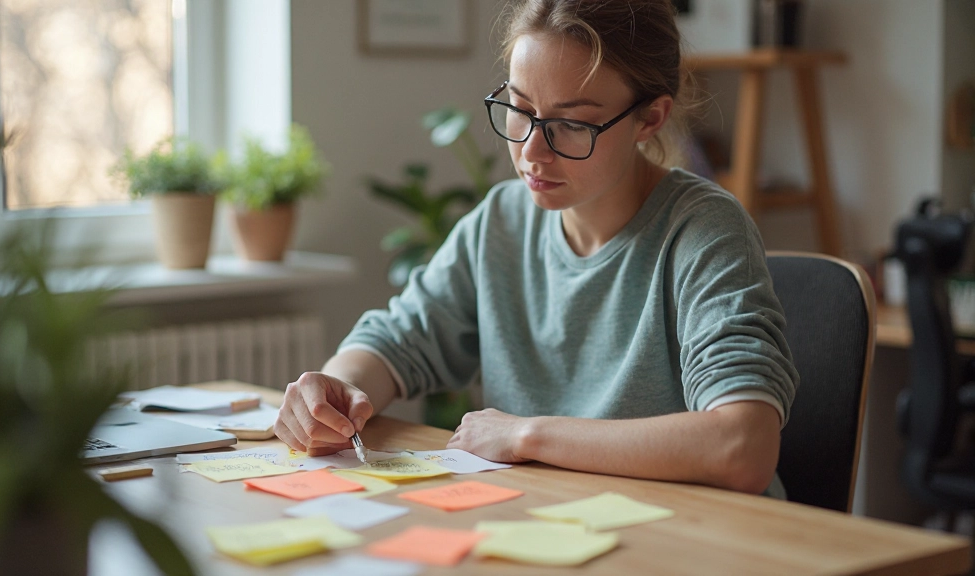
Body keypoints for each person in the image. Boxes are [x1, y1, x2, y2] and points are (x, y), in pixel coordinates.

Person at [275, 0, 799, 497]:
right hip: (549, 526)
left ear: (650, 119)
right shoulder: (502, 222)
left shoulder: (704, 230)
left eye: (572, 124)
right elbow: (396, 342)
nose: (531, 151)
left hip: (695, 541)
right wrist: (337, 389)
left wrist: (528, 436)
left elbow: (742, 446)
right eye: (520, 109)